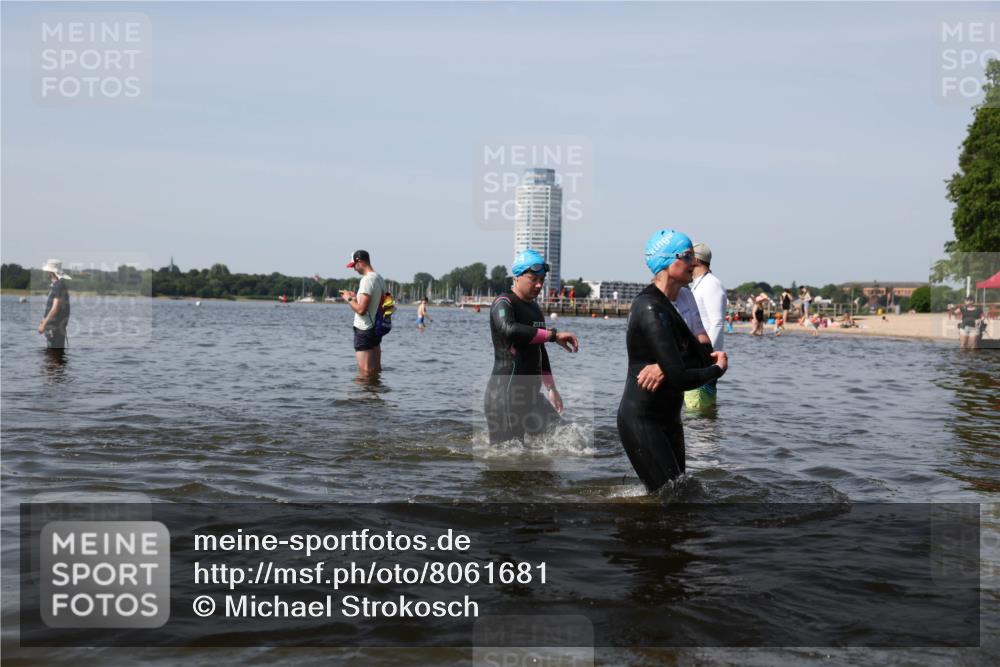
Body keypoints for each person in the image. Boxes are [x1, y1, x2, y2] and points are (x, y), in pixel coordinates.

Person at [617, 230, 728, 493]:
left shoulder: (684, 297)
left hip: (670, 416)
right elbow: (683, 375)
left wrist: (667, 364)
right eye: (687, 256)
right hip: (643, 418)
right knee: (669, 500)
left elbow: (703, 350)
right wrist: (716, 369)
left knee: (679, 495)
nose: (693, 263)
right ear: (667, 262)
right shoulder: (649, 307)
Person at [484, 249, 579, 444]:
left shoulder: (534, 308)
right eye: (533, 278)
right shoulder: (504, 303)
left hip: (531, 396)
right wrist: (553, 335)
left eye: (542, 280)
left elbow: (539, 347)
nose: (539, 285)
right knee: (508, 460)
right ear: (517, 276)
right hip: (505, 397)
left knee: (567, 438)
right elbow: (508, 329)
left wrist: (551, 388)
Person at [339, 250, 386, 376]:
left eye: (354, 265)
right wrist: (356, 297)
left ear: (360, 261)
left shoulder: (366, 280)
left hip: (364, 329)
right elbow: (376, 302)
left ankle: (364, 395)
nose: (354, 269)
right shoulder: (379, 278)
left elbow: (361, 310)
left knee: (365, 373)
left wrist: (348, 298)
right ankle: (375, 394)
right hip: (376, 328)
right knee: (376, 371)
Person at [37, 259, 71, 349]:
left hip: (55, 328)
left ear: (50, 272)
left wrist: (43, 324)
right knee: (54, 358)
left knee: (53, 358)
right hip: (57, 327)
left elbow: (54, 309)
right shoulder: (58, 285)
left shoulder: (58, 286)